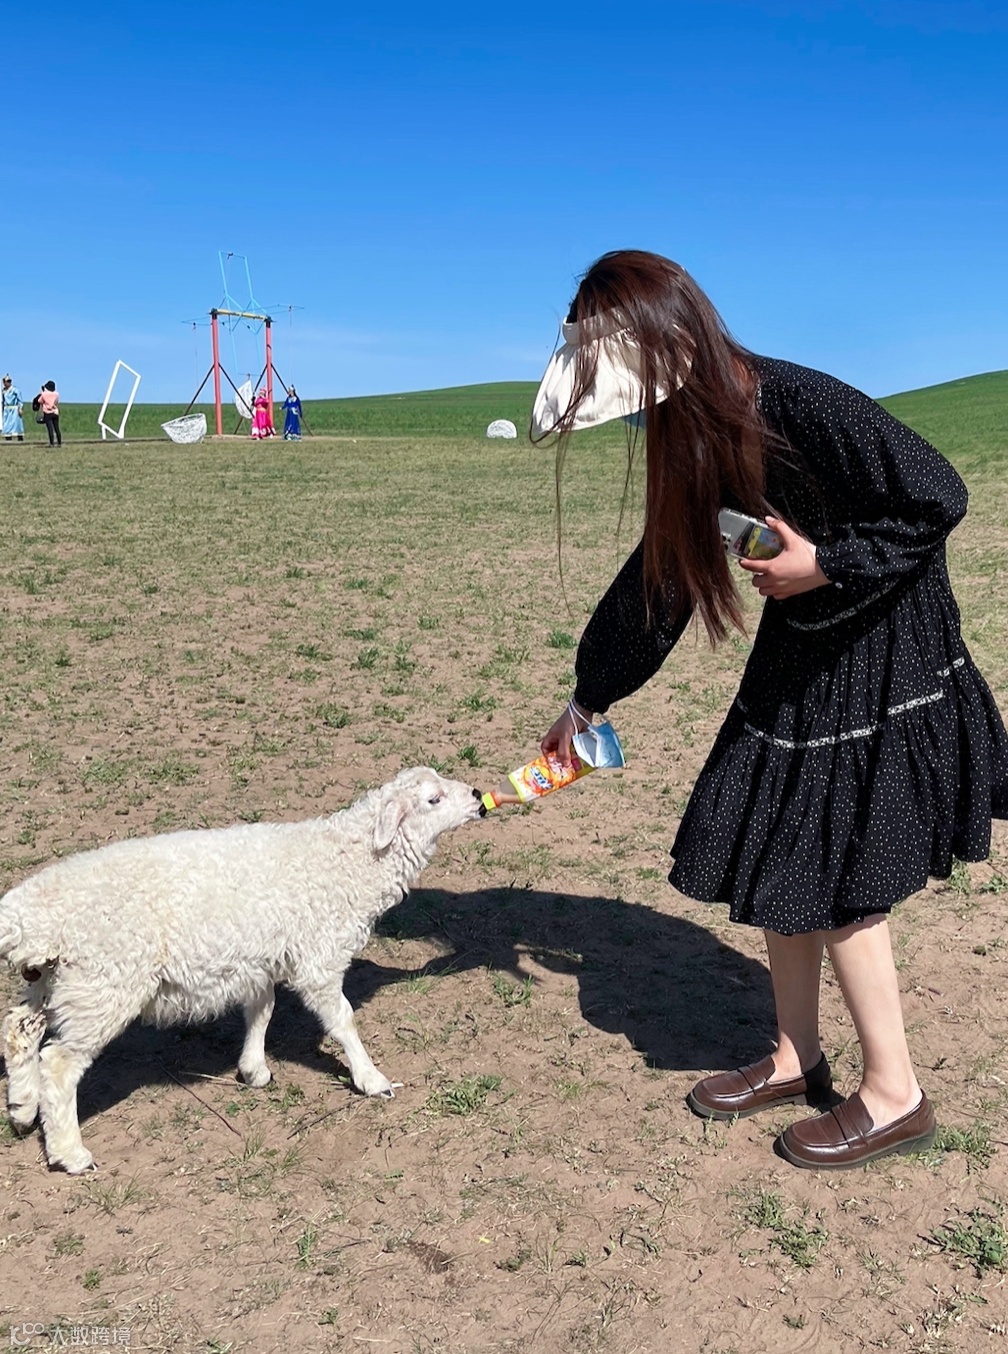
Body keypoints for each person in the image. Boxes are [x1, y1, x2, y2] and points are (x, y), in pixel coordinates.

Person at [533, 250, 1008, 1170]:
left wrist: (821, 563)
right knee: (779, 839)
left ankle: (895, 1095)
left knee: (838, 863)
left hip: (885, 635)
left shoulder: (801, 400)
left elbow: (938, 495)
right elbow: (662, 579)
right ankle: (797, 1057)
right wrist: (589, 698)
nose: (634, 418)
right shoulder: (697, 434)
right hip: (806, 643)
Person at [37, 380, 61, 447]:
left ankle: (52, 443)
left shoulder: (44, 394)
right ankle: (59, 443)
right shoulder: (56, 394)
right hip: (55, 412)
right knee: (57, 428)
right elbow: (56, 401)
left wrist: (42, 392)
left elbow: (39, 401)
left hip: (47, 412)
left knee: (50, 428)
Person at [2, 374, 24, 441]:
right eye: (6, 381)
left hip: (14, 409)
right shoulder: (3, 391)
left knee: (16, 424)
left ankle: (19, 437)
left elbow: (20, 400)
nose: (7, 383)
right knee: (7, 424)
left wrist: (20, 408)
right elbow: (3, 401)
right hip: (6, 409)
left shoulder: (15, 390)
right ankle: (8, 438)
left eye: (9, 381)